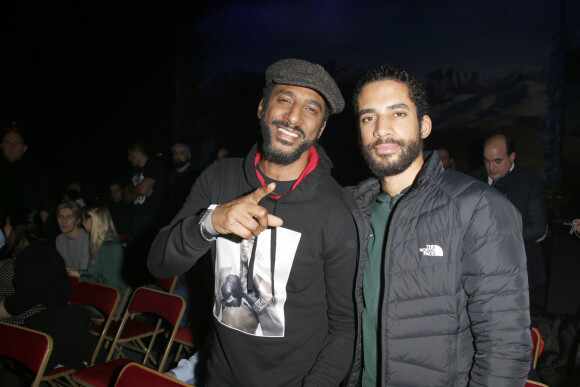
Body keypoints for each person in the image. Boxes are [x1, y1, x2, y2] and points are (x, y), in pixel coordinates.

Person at [148, 58, 357, 386]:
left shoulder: (337, 210)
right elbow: (158, 263)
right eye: (284, 100)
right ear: (262, 107)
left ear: (321, 129)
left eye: (311, 109)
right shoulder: (219, 177)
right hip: (217, 376)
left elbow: (346, 326)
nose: (293, 117)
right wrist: (210, 222)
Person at [343, 65, 532, 386]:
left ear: (424, 125)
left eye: (397, 113)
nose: (381, 129)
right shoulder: (351, 210)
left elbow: (505, 344)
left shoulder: (478, 207)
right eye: (368, 117)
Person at [469, 134, 548, 304]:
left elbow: (538, 227)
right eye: (486, 161)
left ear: (512, 157)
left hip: (518, 269)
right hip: (480, 269)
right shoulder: (472, 179)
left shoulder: (530, 183)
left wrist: (499, 237)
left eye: (498, 161)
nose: (491, 167)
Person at [0, 206, 70, 326]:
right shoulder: (18, 249)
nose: (3, 228)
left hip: (30, 322)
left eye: (6, 223)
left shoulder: (38, 254)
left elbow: (25, 299)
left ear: (17, 228)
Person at [67, 202, 129, 311]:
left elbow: (112, 285)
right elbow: (95, 273)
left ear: (91, 220)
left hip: (114, 302)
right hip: (103, 296)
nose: (82, 223)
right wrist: (79, 273)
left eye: (83, 219)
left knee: (67, 300)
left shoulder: (110, 247)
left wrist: (81, 277)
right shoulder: (100, 243)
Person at [0, 127, 52, 225]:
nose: (12, 147)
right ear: (2, 146)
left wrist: (38, 223)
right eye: (8, 143)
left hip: (25, 228)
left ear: (24, 148)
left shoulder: (35, 172)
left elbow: (46, 200)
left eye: (17, 143)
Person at [124, 142, 167, 238]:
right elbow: (126, 197)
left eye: (129, 154)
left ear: (136, 153)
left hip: (151, 217)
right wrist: (137, 192)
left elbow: (142, 189)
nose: (129, 158)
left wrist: (134, 190)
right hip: (136, 216)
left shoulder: (153, 167)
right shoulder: (134, 172)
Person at [55, 201, 90, 271]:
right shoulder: (59, 239)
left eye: (69, 217)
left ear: (78, 220)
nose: (64, 221)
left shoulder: (86, 239)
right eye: (61, 217)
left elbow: (85, 271)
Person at [167, 143, 199, 219]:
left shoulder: (195, 174)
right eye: (175, 153)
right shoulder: (170, 174)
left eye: (181, 153)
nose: (177, 156)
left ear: (188, 155)